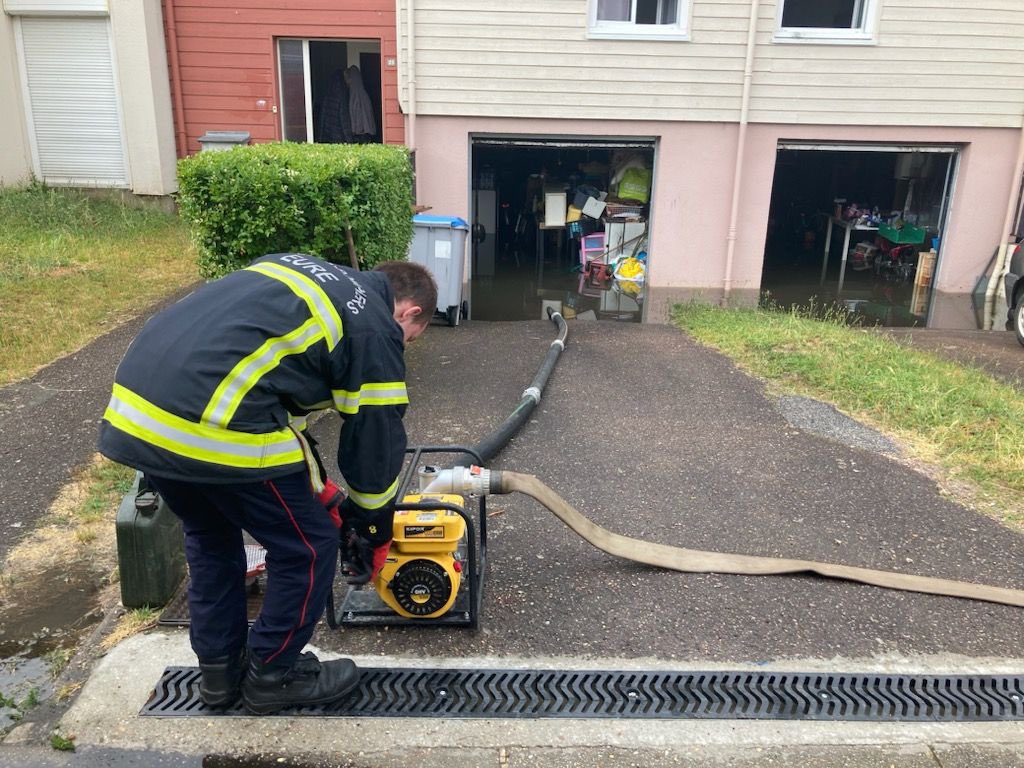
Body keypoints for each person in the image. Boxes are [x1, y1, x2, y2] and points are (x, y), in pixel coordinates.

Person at [97, 254, 437, 714]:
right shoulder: (375, 326)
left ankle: (220, 675)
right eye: (411, 340)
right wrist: (372, 521)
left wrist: (324, 493)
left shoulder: (303, 274)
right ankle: (272, 674)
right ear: (409, 312)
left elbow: (274, 406)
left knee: (211, 536)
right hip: (211, 423)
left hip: (139, 413)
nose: (404, 347)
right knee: (309, 547)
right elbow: (373, 440)